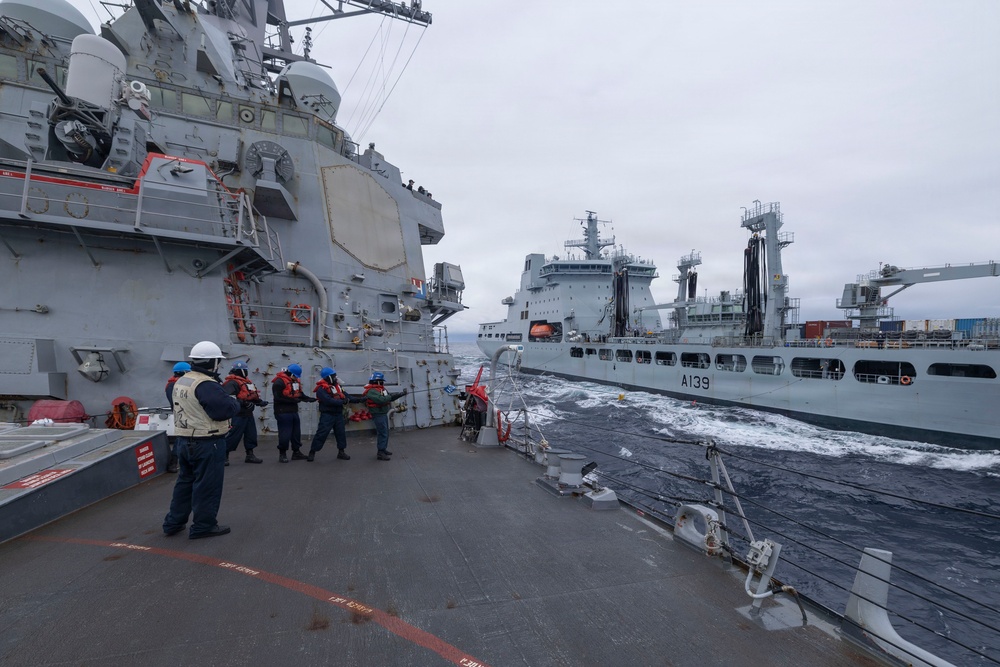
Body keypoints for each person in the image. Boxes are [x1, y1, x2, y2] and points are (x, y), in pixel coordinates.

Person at [162, 341, 241, 539]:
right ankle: (203, 526)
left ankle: (173, 523)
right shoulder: (205, 384)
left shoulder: (182, 381)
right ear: (213, 362)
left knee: (184, 483)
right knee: (207, 485)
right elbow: (223, 410)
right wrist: (235, 403)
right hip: (207, 443)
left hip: (184, 440)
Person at [221, 361, 267, 465]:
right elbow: (229, 398)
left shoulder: (247, 383)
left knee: (251, 435)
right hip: (237, 415)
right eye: (245, 370)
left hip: (248, 414)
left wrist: (259, 402)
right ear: (240, 370)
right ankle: (224, 455)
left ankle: (250, 454)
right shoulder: (231, 383)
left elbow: (251, 396)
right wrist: (244, 403)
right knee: (233, 436)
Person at [271, 363, 316, 463]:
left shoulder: (294, 382)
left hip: (293, 411)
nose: (296, 378)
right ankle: (282, 454)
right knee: (285, 434)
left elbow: (299, 394)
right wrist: (293, 401)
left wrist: (308, 399)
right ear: (291, 374)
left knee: (296, 433)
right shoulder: (279, 382)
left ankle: (296, 452)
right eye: (295, 376)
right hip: (282, 411)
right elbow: (278, 398)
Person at [306, 367, 353, 462]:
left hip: (338, 414)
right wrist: (342, 402)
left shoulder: (337, 386)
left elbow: (346, 395)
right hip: (327, 415)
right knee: (321, 433)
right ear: (328, 377)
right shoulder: (321, 389)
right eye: (333, 376)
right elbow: (328, 400)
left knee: (341, 433)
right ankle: (312, 452)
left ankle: (341, 451)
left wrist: (360, 399)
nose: (335, 377)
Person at [361, 371, 407, 461]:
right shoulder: (371, 391)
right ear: (377, 381)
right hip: (378, 414)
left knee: (385, 431)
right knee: (382, 432)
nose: (382, 382)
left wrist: (401, 394)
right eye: (381, 381)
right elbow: (381, 400)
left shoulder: (381, 389)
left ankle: (383, 449)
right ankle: (380, 452)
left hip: (382, 413)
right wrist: (391, 396)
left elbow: (389, 396)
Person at [163, 362, 190, 473]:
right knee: (181, 439)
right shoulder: (172, 385)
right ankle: (173, 462)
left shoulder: (177, 384)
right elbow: (175, 402)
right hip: (182, 416)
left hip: (187, 414)